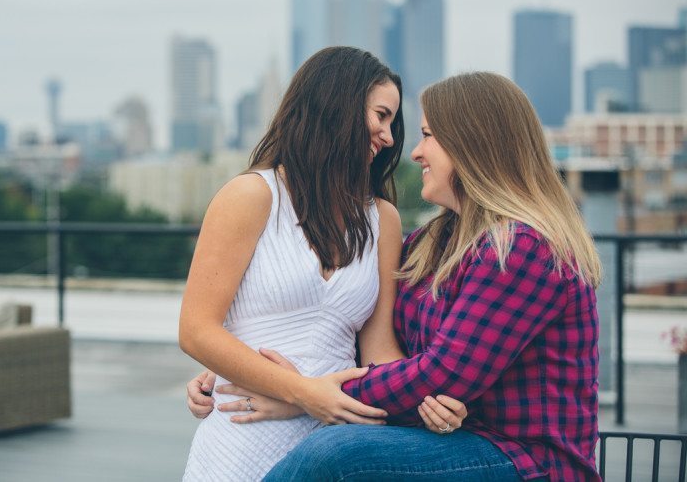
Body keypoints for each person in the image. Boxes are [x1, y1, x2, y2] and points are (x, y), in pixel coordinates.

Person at [261, 72, 602, 481]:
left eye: (429, 136)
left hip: (527, 461)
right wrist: (248, 358)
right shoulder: (432, 240)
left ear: (473, 144)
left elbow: (443, 373)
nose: (417, 153)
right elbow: (361, 327)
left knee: (335, 454)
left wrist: (308, 396)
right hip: (454, 440)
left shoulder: (523, 248)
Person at [180, 46, 465, 482]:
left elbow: (379, 350)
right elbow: (197, 330)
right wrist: (305, 393)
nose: (390, 137)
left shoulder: (382, 220)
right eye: (381, 115)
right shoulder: (251, 196)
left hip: (340, 442)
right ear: (338, 106)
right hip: (241, 439)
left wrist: (431, 398)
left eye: (394, 122)